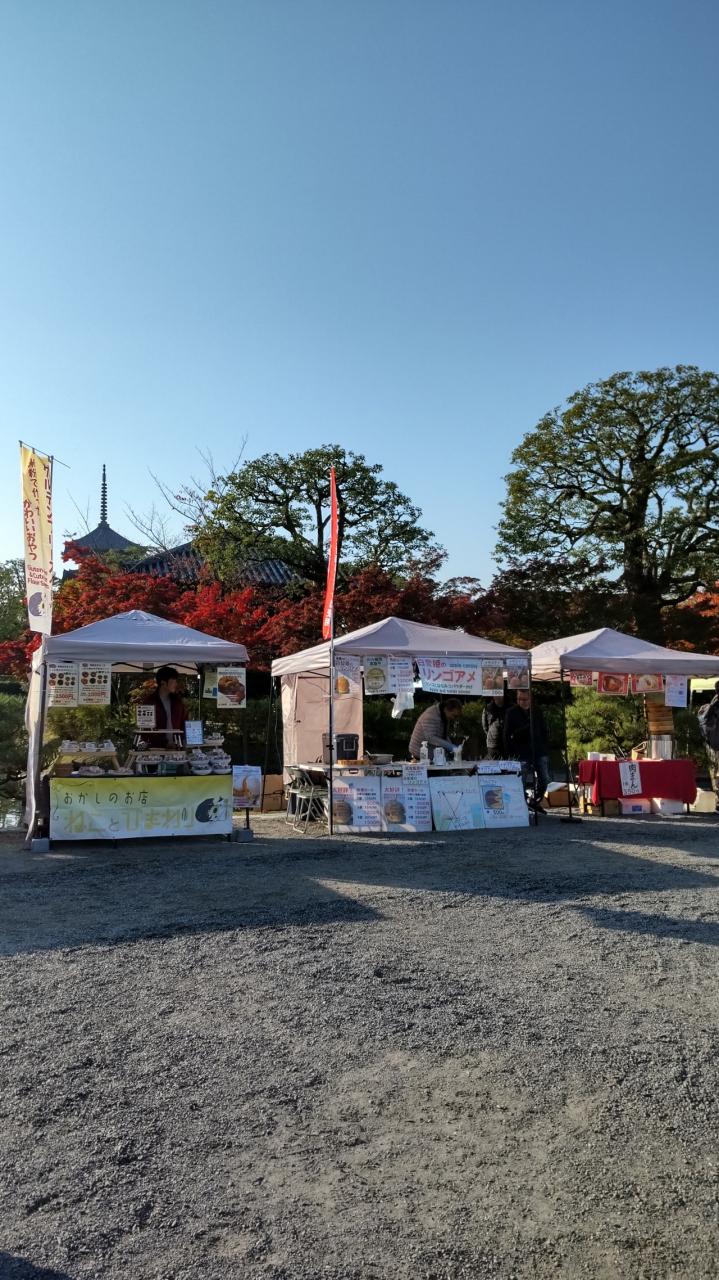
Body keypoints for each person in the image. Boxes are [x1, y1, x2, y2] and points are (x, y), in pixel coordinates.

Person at [504, 689, 551, 810]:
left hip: (538, 749)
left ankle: (535, 800)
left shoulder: (537, 711)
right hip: (521, 751)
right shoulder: (511, 712)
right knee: (520, 780)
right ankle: (523, 803)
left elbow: (543, 730)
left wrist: (545, 747)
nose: (522, 702)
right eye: (519, 699)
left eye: (525, 699)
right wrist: (510, 752)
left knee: (545, 779)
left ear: (530, 699)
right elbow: (507, 735)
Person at [408, 698, 462, 762]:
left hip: (431, 753)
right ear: (446, 709)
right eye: (454, 715)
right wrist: (450, 746)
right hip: (419, 753)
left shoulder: (444, 716)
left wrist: (452, 747)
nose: (454, 718)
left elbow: (443, 735)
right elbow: (430, 738)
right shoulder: (431, 716)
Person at [146, 665, 188, 745]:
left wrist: (183, 741)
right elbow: (145, 728)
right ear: (163, 683)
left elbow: (184, 723)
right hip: (156, 748)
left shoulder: (178, 702)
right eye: (173, 681)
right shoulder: (150, 702)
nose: (176, 684)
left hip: (177, 746)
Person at [698, 681, 719, 810]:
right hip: (716, 745)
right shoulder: (715, 706)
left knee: (715, 774)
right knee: (717, 775)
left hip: (713, 745)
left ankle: (718, 802)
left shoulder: (712, 705)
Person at [482, 693, 505, 760]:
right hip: (492, 743)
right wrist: (490, 734)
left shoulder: (509, 707)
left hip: (505, 742)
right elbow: (484, 726)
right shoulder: (487, 708)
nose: (498, 696)